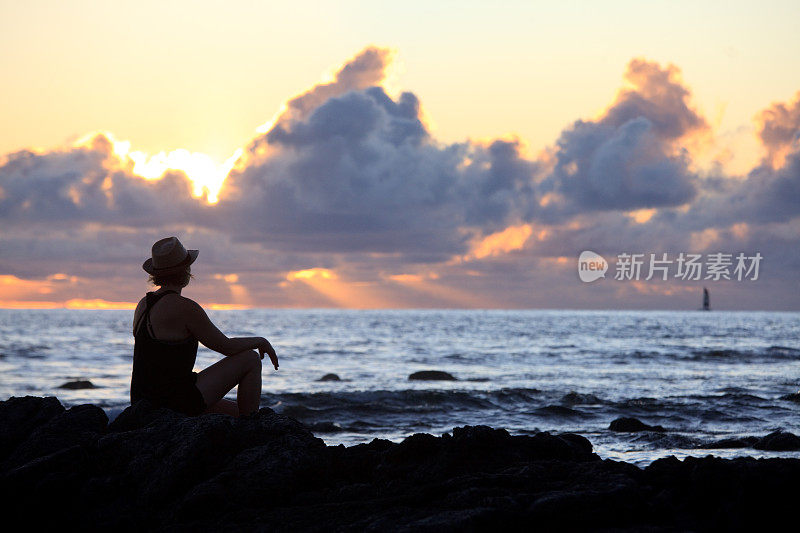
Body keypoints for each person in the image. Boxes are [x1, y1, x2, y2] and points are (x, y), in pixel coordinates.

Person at [130, 236, 278, 417]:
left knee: (235, 413)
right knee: (251, 359)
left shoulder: (143, 304)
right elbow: (227, 347)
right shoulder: (184, 307)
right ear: (186, 271)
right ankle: (251, 430)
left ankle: (247, 425)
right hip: (171, 402)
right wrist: (260, 341)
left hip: (142, 402)